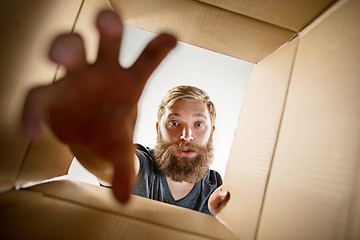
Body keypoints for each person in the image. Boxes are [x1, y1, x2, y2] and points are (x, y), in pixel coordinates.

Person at [22, 10, 229, 216]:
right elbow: (113, 166)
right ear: (158, 129)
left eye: (199, 124)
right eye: (174, 123)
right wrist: (99, 146)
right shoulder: (143, 166)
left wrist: (216, 216)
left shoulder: (216, 187)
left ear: (211, 131)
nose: (186, 135)